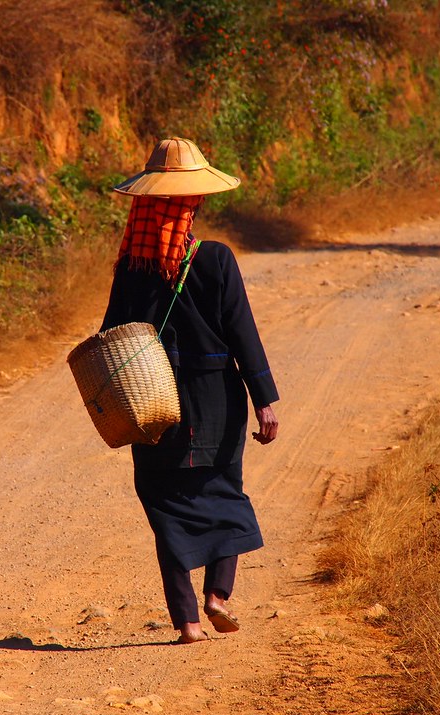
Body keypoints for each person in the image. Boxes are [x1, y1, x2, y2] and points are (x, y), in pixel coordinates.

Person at [101, 137, 280, 645]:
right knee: (223, 491)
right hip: (219, 403)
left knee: (165, 504)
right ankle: (218, 595)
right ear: (194, 202)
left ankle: (188, 624)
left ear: (145, 203)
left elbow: (111, 339)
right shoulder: (217, 260)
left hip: (152, 406)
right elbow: (243, 333)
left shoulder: (132, 269)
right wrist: (263, 399)